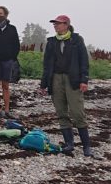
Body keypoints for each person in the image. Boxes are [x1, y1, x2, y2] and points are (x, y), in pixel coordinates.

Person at [37, 15, 93, 157]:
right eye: (54, 24)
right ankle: (69, 143)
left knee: (77, 112)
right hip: (55, 78)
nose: (55, 26)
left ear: (66, 25)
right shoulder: (51, 42)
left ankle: (87, 146)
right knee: (61, 111)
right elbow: (46, 65)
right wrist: (43, 84)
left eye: (58, 24)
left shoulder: (76, 40)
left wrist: (84, 80)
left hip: (72, 79)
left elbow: (84, 61)